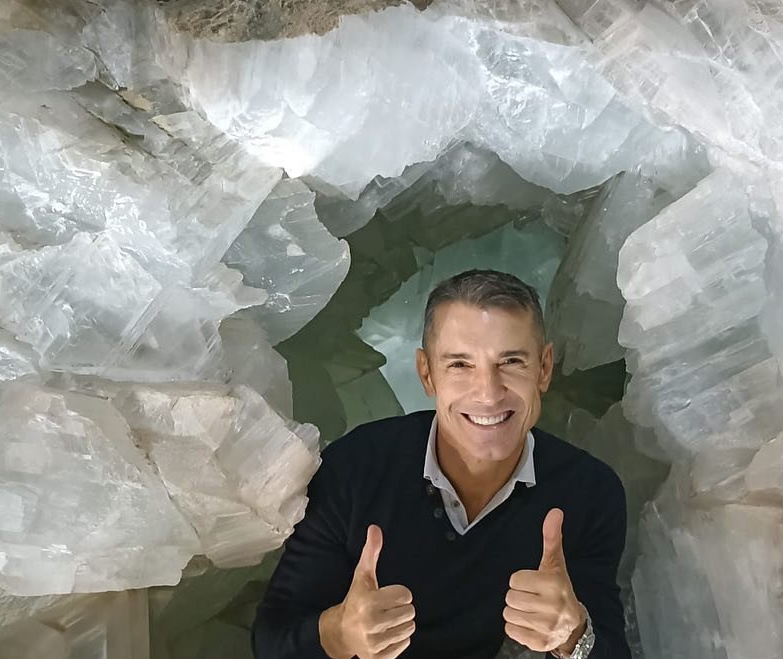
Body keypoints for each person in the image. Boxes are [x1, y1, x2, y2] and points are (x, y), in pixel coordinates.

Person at [252, 269, 629, 659]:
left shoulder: (589, 493)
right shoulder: (354, 468)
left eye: (511, 362)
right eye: (460, 365)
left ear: (544, 369)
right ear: (426, 374)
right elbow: (271, 640)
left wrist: (574, 636)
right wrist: (339, 635)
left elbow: (612, 650)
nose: (488, 393)